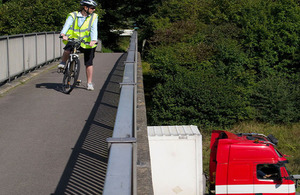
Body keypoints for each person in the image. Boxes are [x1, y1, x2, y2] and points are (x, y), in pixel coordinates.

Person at [58, 0, 98, 91]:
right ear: (85, 7)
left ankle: (89, 83)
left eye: (94, 8)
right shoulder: (73, 15)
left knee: (89, 63)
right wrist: (63, 34)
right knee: (67, 50)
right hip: (74, 39)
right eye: (92, 8)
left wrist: (94, 40)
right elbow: (67, 25)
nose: (94, 10)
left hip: (87, 42)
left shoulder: (94, 17)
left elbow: (94, 29)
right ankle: (63, 63)